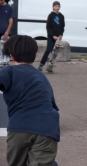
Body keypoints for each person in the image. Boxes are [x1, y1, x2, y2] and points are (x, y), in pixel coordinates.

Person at [0, 35, 60, 166]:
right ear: (35, 55)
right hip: (48, 126)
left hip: (20, 126)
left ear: (11, 56)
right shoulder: (41, 77)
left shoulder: (9, 71)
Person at [38, 1, 65, 71]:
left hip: (58, 37)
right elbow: (48, 27)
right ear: (53, 7)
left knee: (54, 53)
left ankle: (50, 67)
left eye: (58, 6)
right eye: (55, 6)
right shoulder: (51, 15)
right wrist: (53, 35)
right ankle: (41, 64)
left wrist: (61, 35)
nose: (57, 8)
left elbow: (62, 27)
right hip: (51, 36)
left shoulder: (61, 16)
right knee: (48, 49)